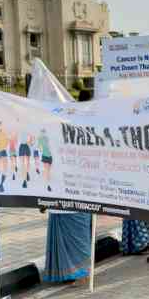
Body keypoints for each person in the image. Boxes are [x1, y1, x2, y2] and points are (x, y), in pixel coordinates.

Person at [43, 89, 94, 285]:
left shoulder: (86, 138)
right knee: (64, 234)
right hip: (58, 195)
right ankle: (64, 273)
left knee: (80, 233)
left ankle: (82, 272)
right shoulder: (52, 142)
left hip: (81, 193)